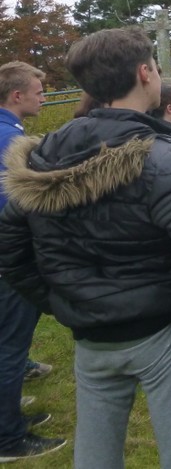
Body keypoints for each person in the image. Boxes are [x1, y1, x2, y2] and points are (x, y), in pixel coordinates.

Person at [0, 27, 171, 469]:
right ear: (145, 73)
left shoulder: (44, 154)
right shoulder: (162, 156)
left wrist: (60, 300)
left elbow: (10, 241)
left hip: (92, 333)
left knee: (95, 452)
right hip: (164, 329)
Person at [0, 62, 65, 463]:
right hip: (9, 259)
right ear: (17, 95)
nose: (44, 96)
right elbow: (14, 203)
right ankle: (8, 438)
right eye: (39, 91)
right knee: (10, 346)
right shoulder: (8, 140)